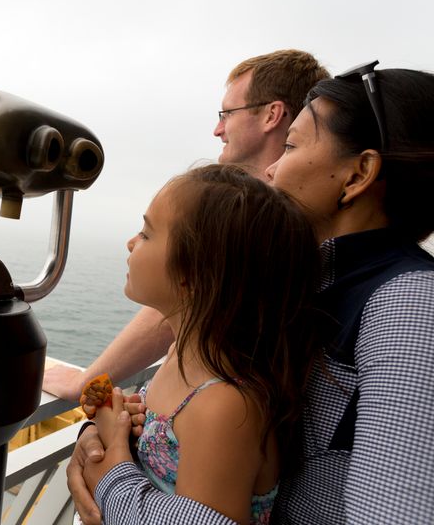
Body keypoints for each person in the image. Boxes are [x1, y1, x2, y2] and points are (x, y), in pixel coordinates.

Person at [73, 64, 434, 524]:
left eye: (291, 146)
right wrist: (99, 437)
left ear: (358, 173)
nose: (271, 168)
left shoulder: (410, 303)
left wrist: (115, 480)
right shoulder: (296, 284)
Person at [42, 49, 330, 402]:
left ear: (272, 115)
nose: (218, 128)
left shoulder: (259, 225)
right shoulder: (309, 216)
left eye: (227, 113)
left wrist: (85, 381)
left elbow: (181, 302)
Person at [75, 164, 321, 524]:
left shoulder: (224, 408)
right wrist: (120, 424)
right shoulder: (179, 356)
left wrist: (115, 455)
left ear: (194, 272)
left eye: (146, 233)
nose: (131, 242)